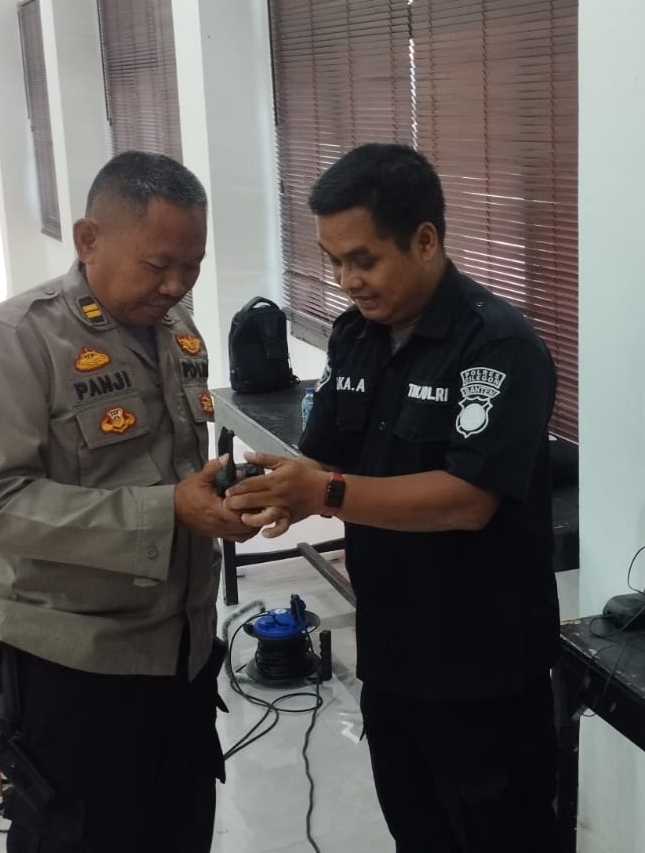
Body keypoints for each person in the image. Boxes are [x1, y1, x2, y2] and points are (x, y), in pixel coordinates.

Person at [223, 143, 560, 853]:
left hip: (481, 671)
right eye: (333, 261)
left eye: (364, 260)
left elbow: (467, 500)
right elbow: (326, 456)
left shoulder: (498, 348)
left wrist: (324, 492)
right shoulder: (356, 337)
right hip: (390, 651)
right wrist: (281, 491)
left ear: (425, 240)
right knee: (419, 833)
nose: (347, 280)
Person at [0, 151, 256, 853]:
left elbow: (172, 470)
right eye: (158, 265)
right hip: (72, 666)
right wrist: (168, 510)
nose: (175, 285)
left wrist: (224, 495)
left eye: (192, 266)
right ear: (89, 239)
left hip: (179, 654)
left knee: (177, 832)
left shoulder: (177, 330)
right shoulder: (15, 342)